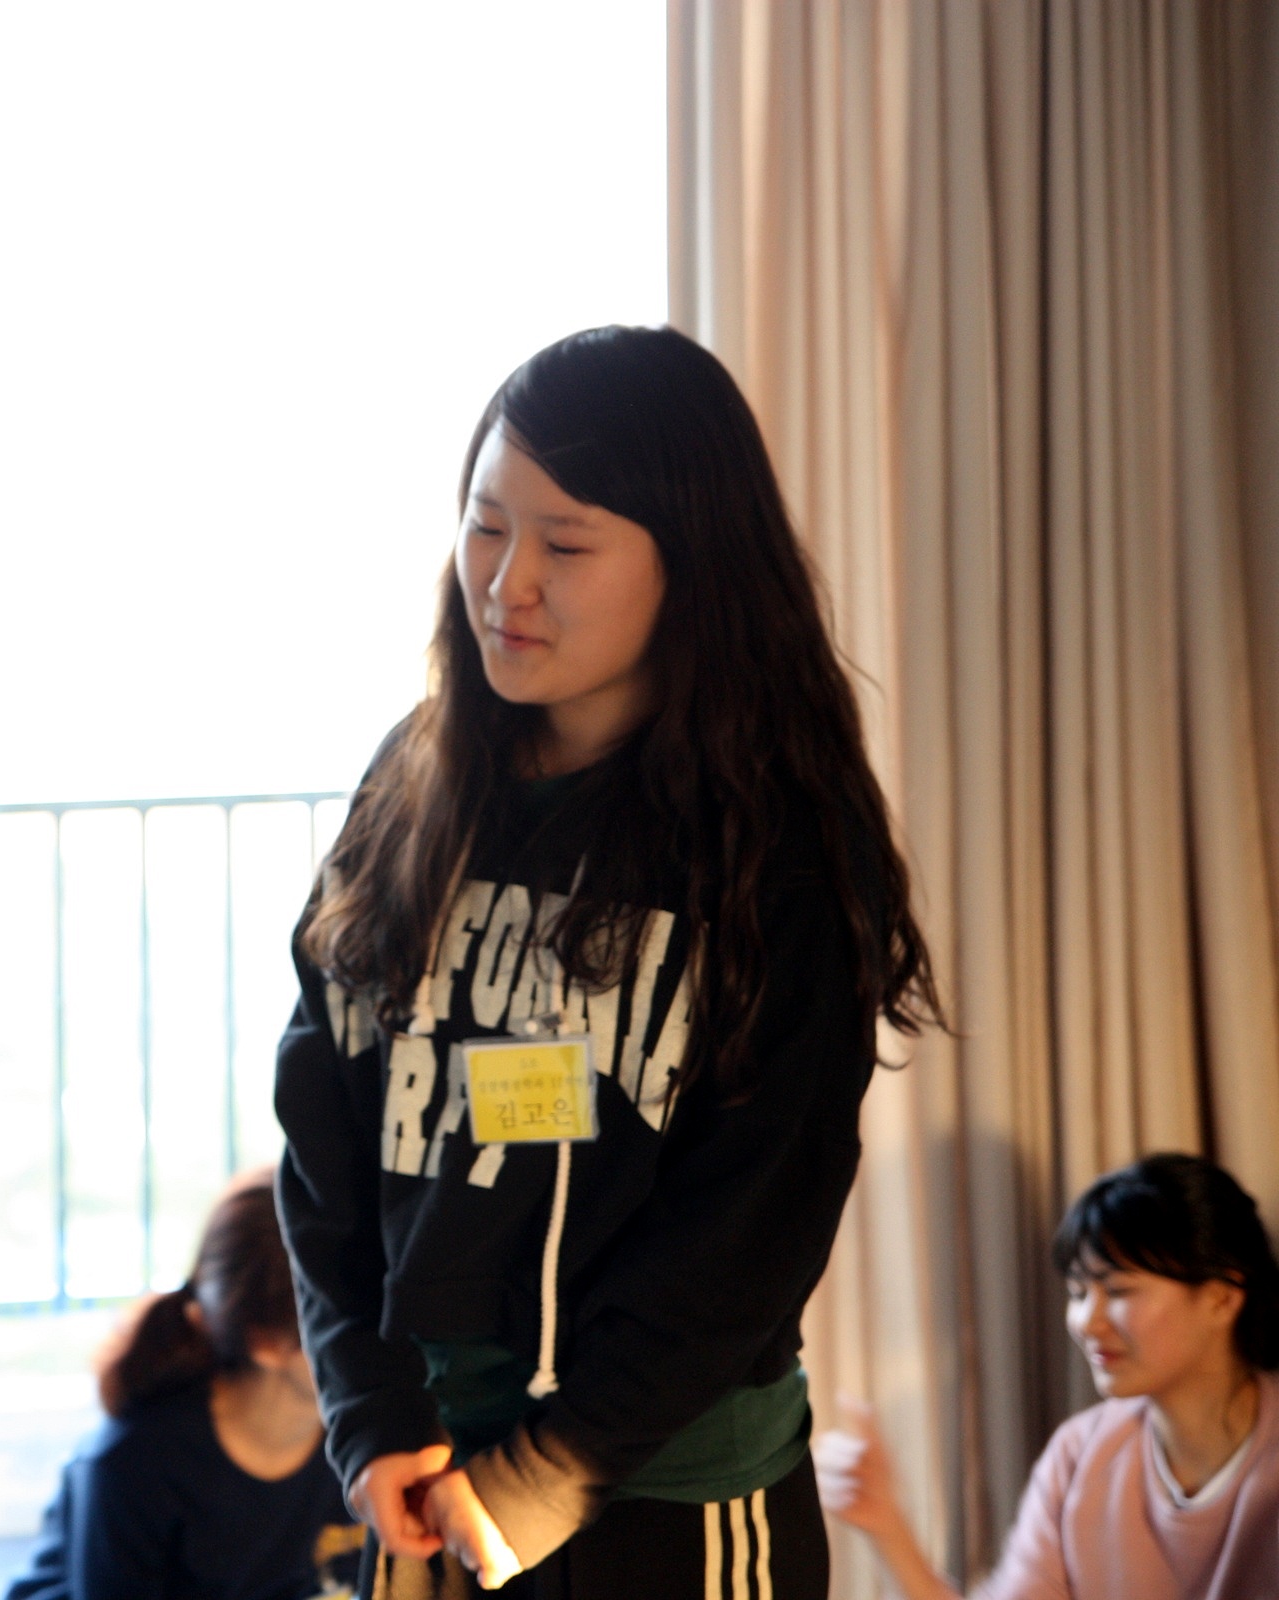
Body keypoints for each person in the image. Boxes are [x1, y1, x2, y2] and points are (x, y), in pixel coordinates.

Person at [275, 324, 942, 1598]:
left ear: (693, 564)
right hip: (429, 1476)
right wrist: (366, 1408)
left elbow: (752, 1223)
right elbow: (326, 1121)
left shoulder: (777, 842)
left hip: (666, 1499)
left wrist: (546, 1472)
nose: (506, 582)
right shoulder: (416, 779)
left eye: (566, 545)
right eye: (485, 527)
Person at [815, 1153, 1279, 1599]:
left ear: (1221, 1299)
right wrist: (886, 1525)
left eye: (1119, 1290)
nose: (1086, 1322)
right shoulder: (1080, 1455)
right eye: (1078, 1292)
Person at [4, 1171, 364, 1600]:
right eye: (355, 1321)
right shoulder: (132, 1465)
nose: (390, 1341)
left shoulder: (370, 1438)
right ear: (265, 1343)